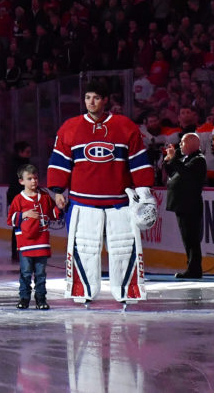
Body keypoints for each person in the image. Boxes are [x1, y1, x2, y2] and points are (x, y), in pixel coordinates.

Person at [47, 80, 154, 305]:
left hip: (120, 201)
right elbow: (60, 162)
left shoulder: (125, 126)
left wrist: (144, 192)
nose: (91, 102)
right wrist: (57, 191)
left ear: (105, 100)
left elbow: (138, 162)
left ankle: (127, 291)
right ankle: (83, 290)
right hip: (82, 201)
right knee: (84, 248)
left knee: (124, 248)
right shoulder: (70, 127)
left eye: (96, 97)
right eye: (87, 98)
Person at [7, 164, 60, 310]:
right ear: (21, 181)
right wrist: (24, 214)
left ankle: (41, 299)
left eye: (35, 178)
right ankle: (24, 298)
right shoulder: (18, 199)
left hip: (42, 242)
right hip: (25, 243)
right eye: (29, 178)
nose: (33, 181)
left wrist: (60, 207)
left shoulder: (44, 196)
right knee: (25, 273)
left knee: (41, 274)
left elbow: (53, 215)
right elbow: (10, 219)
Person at [165, 132, 207, 279]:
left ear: (191, 144)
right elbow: (172, 172)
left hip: (190, 205)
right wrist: (170, 159)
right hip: (183, 204)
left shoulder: (198, 160)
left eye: (182, 143)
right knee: (187, 238)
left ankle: (194, 269)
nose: (180, 146)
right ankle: (192, 267)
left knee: (192, 238)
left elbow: (186, 174)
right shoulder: (187, 159)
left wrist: (175, 159)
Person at [5, 140, 33, 262]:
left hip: (21, 197)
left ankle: (21, 251)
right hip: (18, 198)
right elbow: (16, 184)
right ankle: (18, 251)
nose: (29, 154)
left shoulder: (24, 165)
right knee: (19, 224)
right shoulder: (18, 166)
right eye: (27, 152)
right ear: (20, 152)